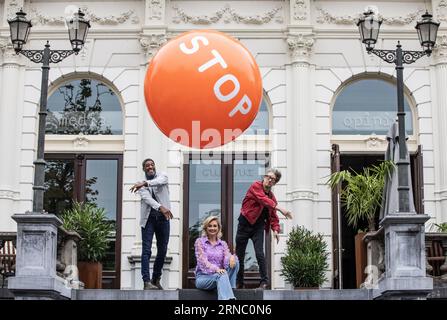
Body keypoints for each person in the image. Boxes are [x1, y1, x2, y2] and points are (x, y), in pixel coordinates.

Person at [235, 168, 292, 289]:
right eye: (268, 177)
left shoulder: (272, 197)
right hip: (244, 225)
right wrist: (280, 208)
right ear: (264, 177)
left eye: (273, 179)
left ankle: (264, 282)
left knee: (260, 253)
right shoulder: (255, 186)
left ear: (275, 183)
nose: (269, 180)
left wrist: (276, 229)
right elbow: (262, 199)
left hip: (258, 227)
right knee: (239, 255)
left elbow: (273, 216)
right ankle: (239, 282)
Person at [130, 158, 173, 290]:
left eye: (152, 165)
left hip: (163, 219)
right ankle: (146, 282)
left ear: (154, 166)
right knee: (146, 250)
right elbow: (148, 199)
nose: (150, 167)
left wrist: (144, 183)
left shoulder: (162, 175)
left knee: (163, 250)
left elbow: (161, 181)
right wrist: (161, 207)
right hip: (148, 219)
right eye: (147, 166)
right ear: (144, 169)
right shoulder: (140, 187)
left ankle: (156, 278)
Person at [194, 216, 239, 300]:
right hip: (203, 278)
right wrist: (216, 270)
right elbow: (202, 262)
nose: (212, 228)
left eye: (215, 226)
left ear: (218, 228)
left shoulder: (223, 244)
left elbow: (227, 260)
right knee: (221, 275)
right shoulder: (199, 242)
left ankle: (230, 288)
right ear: (206, 228)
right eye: (209, 226)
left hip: (220, 276)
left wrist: (232, 257)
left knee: (235, 261)